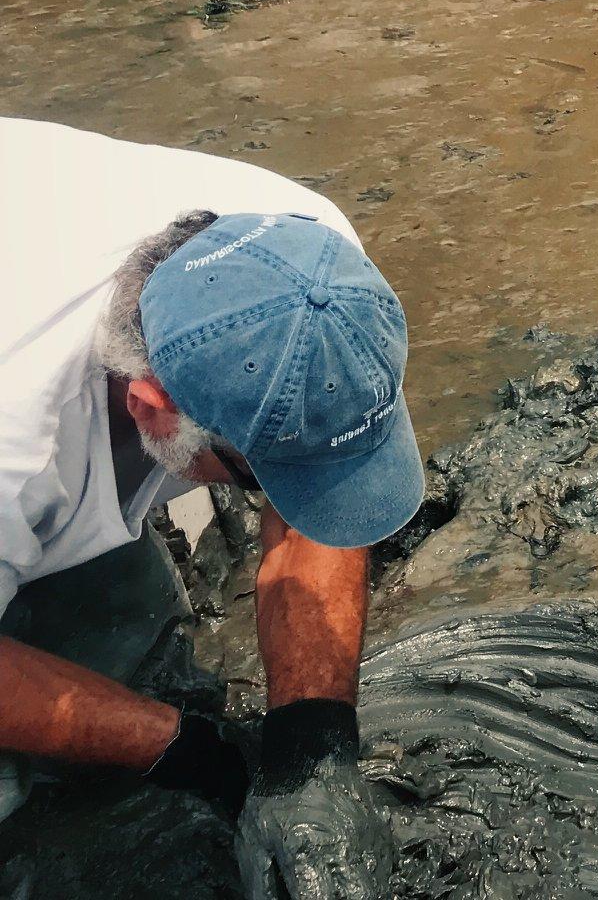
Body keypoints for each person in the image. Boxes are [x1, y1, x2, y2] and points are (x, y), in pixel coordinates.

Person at [1, 117, 427, 900]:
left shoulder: (308, 267)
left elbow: (314, 497)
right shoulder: (14, 438)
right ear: (154, 408)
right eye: (257, 472)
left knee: (121, 636)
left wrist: (311, 749)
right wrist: (193, 755)